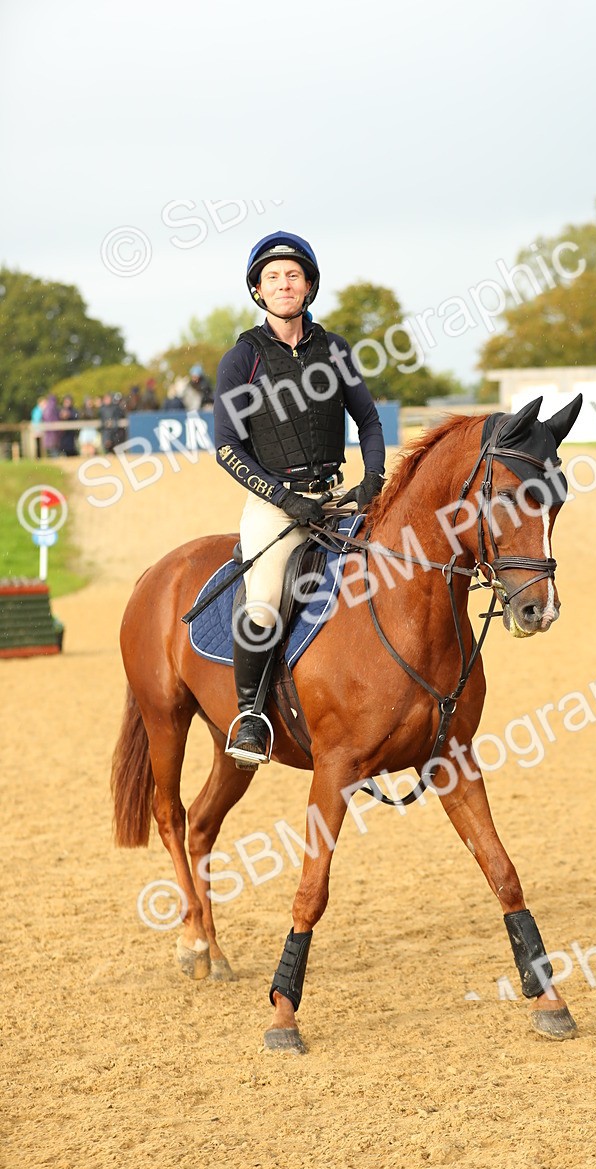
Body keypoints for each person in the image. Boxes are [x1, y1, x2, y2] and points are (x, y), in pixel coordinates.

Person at [214, 231, 386, 767]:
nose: (284, 284)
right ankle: (249, 717)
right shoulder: (242, 358)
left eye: (293, 275)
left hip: (335, 499)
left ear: (308, 286)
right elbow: (226, 446)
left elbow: (370, 420)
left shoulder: (335, 350)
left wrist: (373, 480)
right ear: (258, 291)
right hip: (274, 506)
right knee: (264, 599)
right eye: (273, 278)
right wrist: (286, 501)